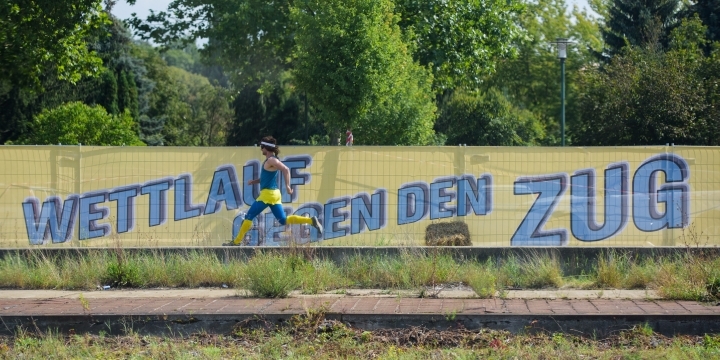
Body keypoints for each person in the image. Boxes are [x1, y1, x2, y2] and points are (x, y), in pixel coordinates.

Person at [223, 136, 323, 246]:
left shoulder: (271, 160)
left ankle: (237, 242)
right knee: (283, 220)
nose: (261, 149)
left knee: (249, 216)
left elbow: (286, 169)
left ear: (266, 148)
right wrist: (255, 181)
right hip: (274, 194)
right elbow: (267, 178)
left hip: (268, 194)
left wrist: (288, 186)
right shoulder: (271, 161)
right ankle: (311, 221)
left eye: (262, 147)